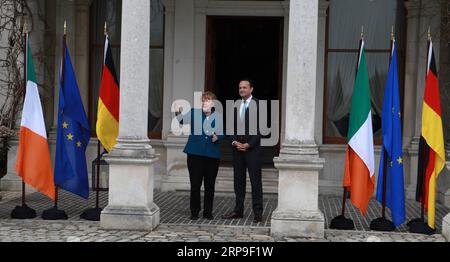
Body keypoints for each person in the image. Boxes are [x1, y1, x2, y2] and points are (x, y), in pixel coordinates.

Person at [176, 92, 224, 220]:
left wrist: (217, 137)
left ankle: (208, 212)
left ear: (213, 103)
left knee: (210, 185)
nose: (204, 103)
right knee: (195, 185)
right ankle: (194, 211)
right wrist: (178, 112)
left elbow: (223, 133)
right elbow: (182, 120)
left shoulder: (218, 117)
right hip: (195, 155)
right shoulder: (194, 113)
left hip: (212, 156)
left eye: (207, 100)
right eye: (203, 100)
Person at [222, 78, 263, 223]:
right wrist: (234, 142)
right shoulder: (235, 105)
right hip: (237, 149)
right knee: (238, 182)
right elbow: (229, 127)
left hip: (252, 150)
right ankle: (238, 211)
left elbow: (261, 129)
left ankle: (258, 212)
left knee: (255, 182)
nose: (242, 90)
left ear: (251, 89)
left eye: (245, 87)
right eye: (240, 88)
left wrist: (248, 145)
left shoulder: (259, 105)